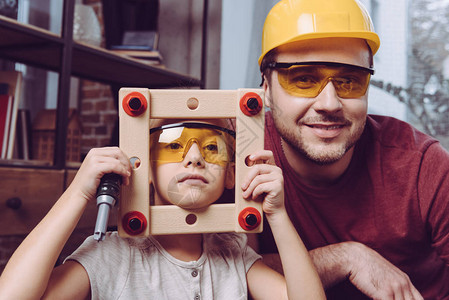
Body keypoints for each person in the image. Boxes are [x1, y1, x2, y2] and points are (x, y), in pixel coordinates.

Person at [0, 117, 325, 299]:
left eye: (211, 147)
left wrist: (278, 215)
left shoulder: (232, 254)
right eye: (173, 145)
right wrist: (76, 194)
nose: (194, 156)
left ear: (230, 174)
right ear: (144, 166)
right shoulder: (113, 255)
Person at [255, 0, 449, 299]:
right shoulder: (236, 156)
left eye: (349, 81)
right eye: (304, 79)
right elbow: (212, 269)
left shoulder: (423, 165)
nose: (329, 104)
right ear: (266, 88)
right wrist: (347, 258)